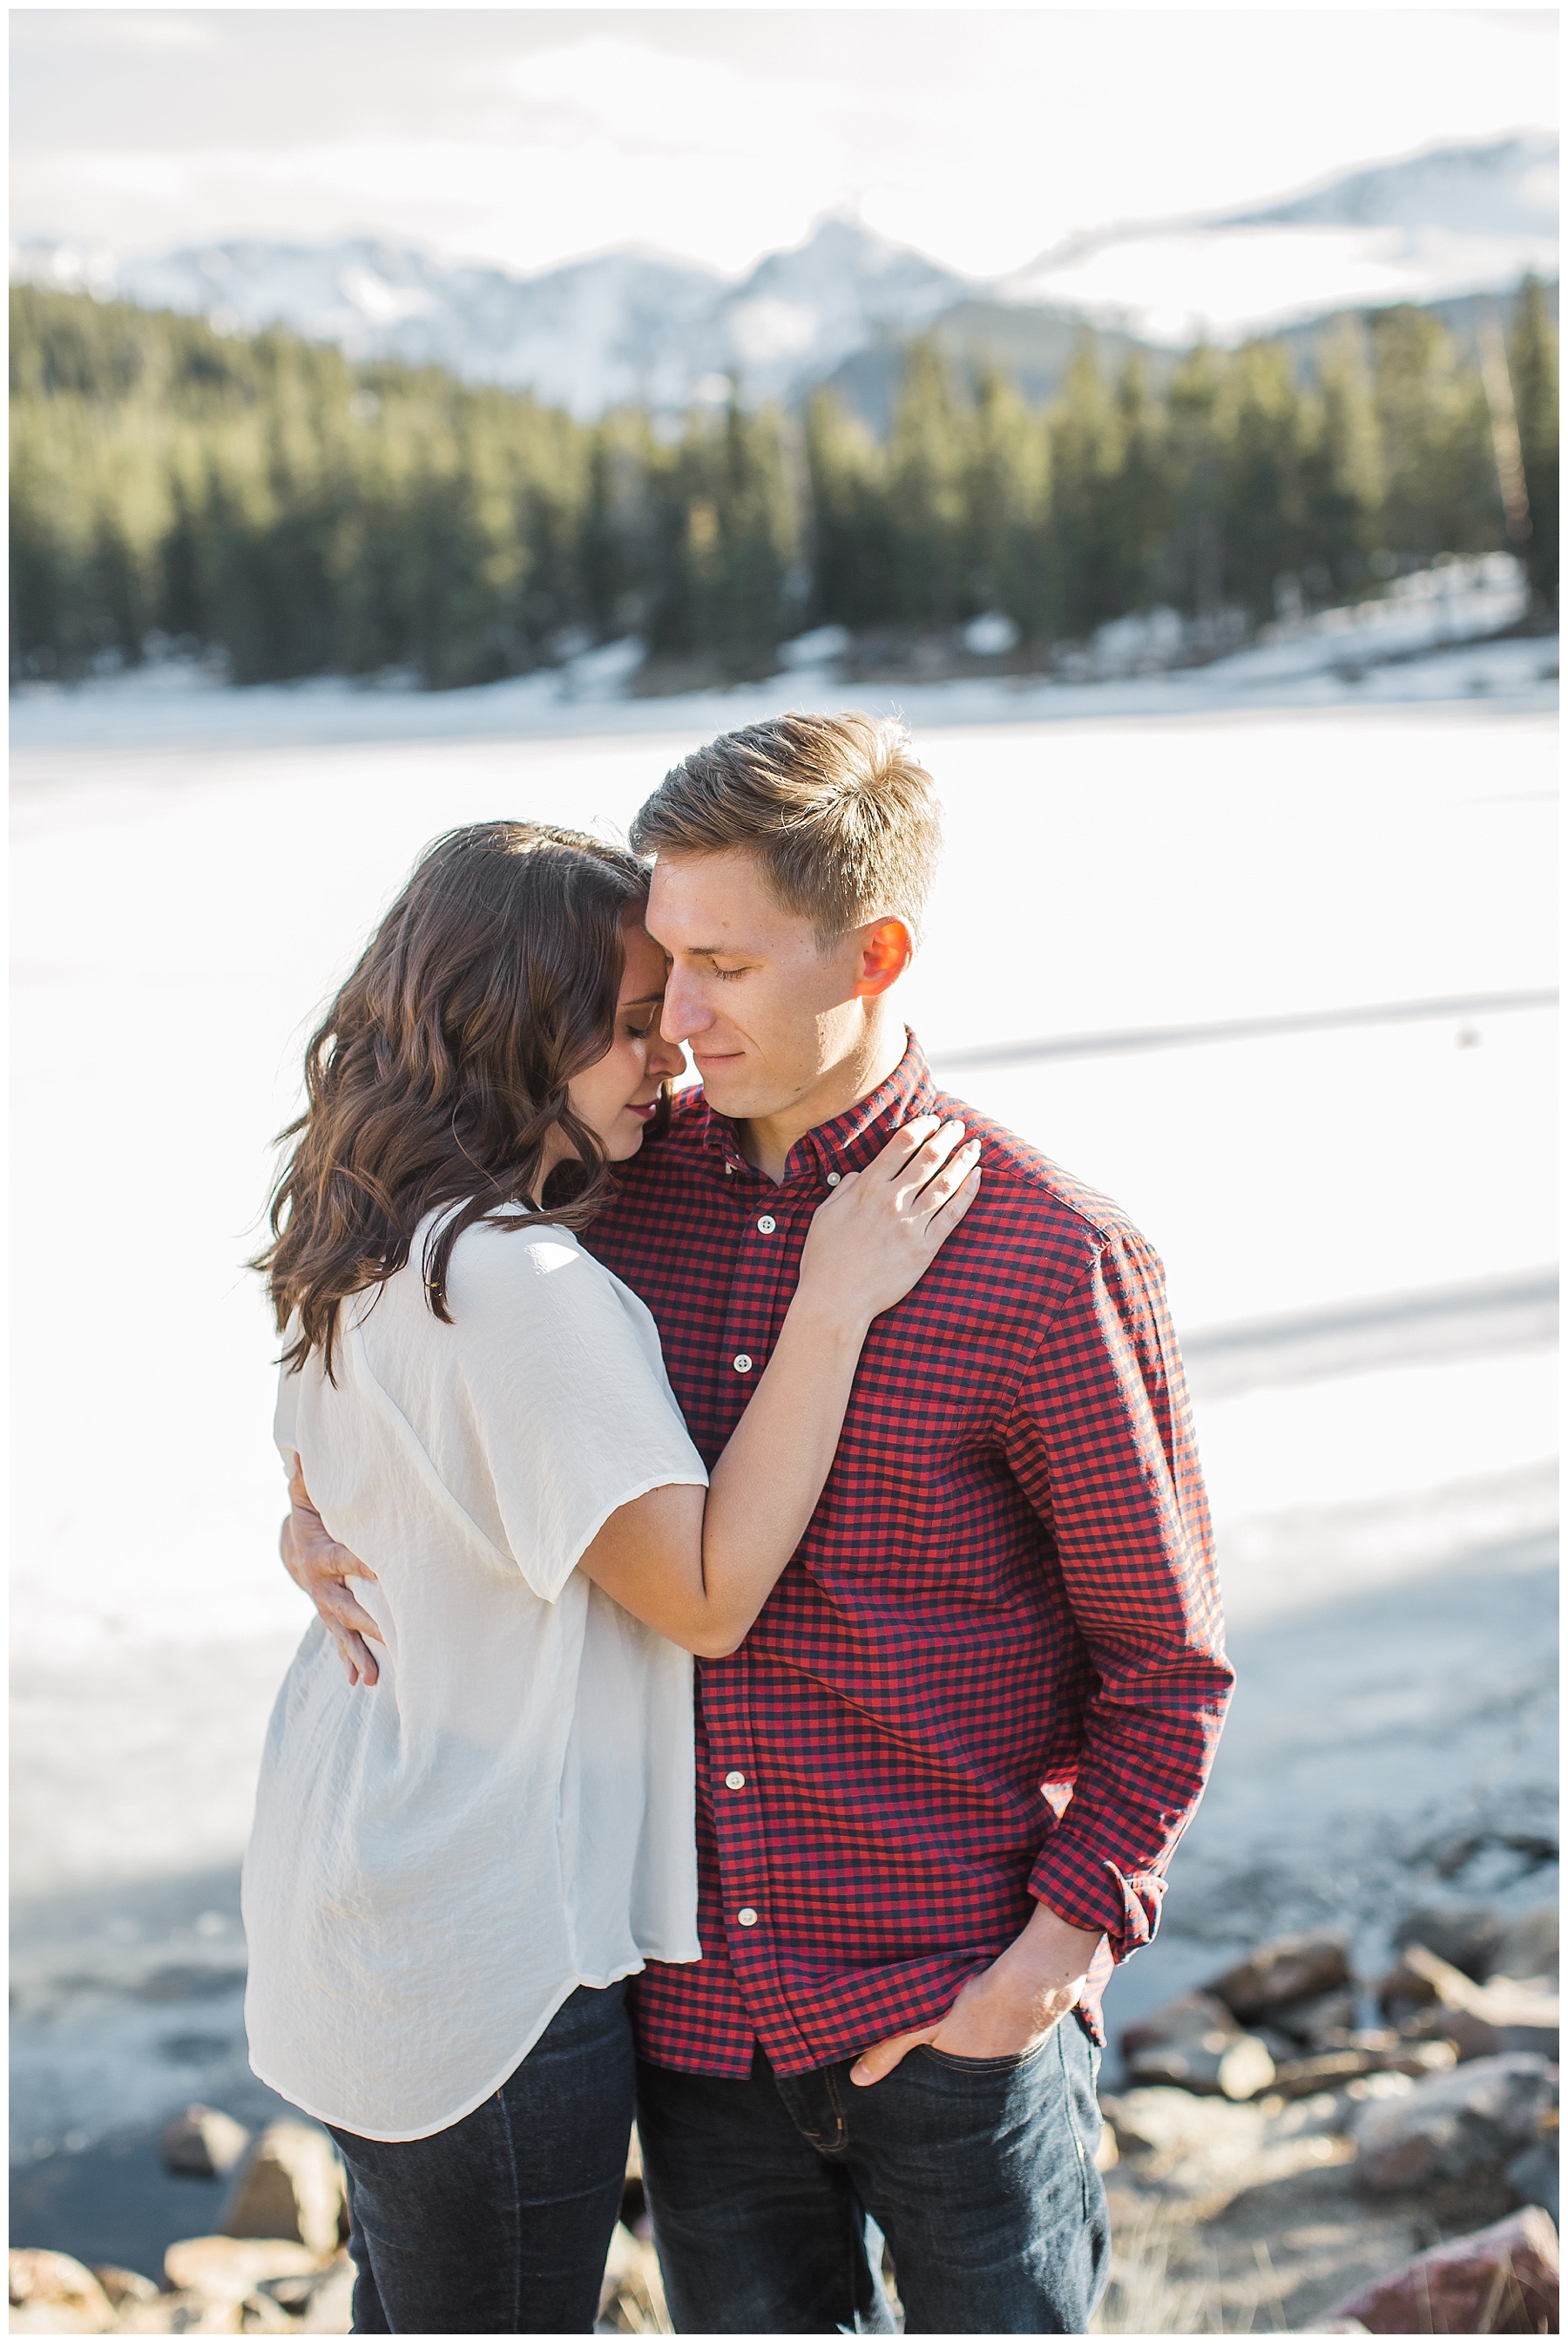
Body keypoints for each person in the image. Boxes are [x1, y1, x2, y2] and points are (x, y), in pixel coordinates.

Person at [289, 715, 1234, 2336]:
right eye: (664, 969)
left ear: (873, 952)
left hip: (953, 2013)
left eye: (720, 968)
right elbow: (441, 1358)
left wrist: (1053, 1958)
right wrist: (323, 1509)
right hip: (698, 2034)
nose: (677, 1025)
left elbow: (1168, 1663)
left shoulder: (1042, 1256)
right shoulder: (614, 1195)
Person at [244, 817, 981, 2336]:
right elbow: (706, 1593)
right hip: (490, 1942)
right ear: (520, 1024)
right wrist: (833, 1297)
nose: (675, 1054)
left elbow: (337, 1477)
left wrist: (301, 1522)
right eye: (636, 1021)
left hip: (355, 1886)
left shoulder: (365, 1228)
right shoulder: (523, 1286)